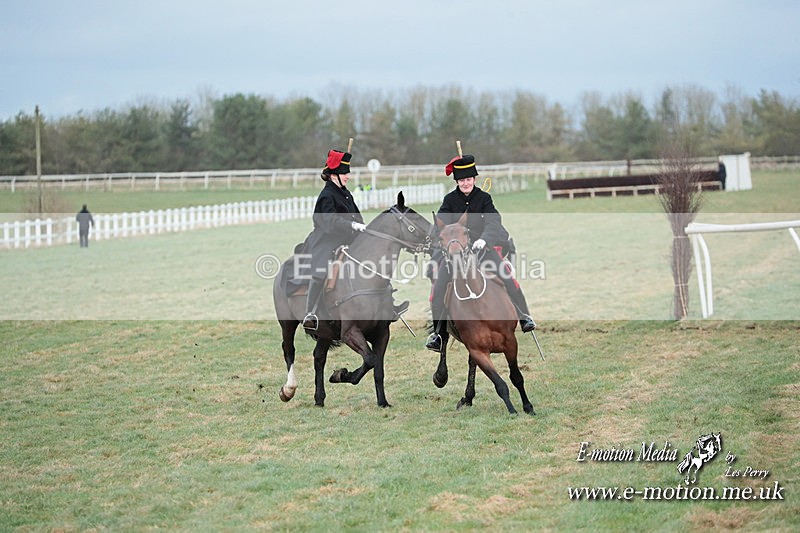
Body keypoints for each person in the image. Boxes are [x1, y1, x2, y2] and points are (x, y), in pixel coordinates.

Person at [425, 154, 536, 352]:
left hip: (483, 251)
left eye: (468, 179)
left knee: (508, 278)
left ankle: (524, 316)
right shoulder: (449, 200)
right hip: (455, 255)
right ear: (457, 181)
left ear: (474, 179)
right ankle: (439, 335)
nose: (465, 183)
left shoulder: (484, 198)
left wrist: (484, 240)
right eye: (461, 180)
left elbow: (494, 221)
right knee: (438, 291)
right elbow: (440, 226)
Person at [301, 148, 367, 330]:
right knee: (321, 270)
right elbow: (330, 221)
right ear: (333, 175)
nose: (348, 176)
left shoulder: (346, 193)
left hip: (349, 239)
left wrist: (362, 228)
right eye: (344, 173)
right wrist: (351, 226)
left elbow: (356, 216)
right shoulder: (326, 196)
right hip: (326, 240)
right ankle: (310, 313)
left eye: (347, 173)